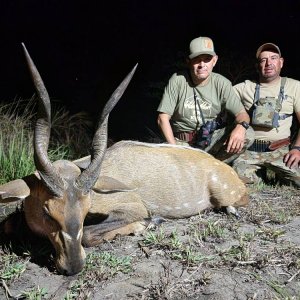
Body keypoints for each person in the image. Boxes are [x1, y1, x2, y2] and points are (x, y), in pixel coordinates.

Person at [157, 36, 254, 164]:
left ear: (214, 60)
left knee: (249, 133)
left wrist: (241, 128)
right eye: (197, 60)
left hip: (209, 140)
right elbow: (162, 118)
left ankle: (214, 166)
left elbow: (242, 115)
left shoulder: (222, 83)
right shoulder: (177, 80)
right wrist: (175, 149)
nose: (202, 65)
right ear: (188, 61)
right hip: (181, 143)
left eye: (207, 59)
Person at [233, 42, 300, 187]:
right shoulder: (245, 87)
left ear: (281, 62)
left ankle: (277, 175)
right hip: (250, 151)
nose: (268, 63)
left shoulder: (295, 86)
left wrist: (297, 149)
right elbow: (221, 94)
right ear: (257, 65)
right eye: (263, 60)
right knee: (236, 181)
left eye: (273, 58)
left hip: (281, 150)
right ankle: (260, 176)